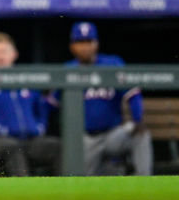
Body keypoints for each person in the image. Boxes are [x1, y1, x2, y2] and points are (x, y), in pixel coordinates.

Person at [48, 22, 153, 176]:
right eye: (80, 42)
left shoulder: (112, 63)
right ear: (72, 46)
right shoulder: (68, 69)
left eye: (89, 42)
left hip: (113, 134)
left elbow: (133, 93)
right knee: (81, 183)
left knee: (140, 134)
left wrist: (137, 119)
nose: (85, 47)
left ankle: (146, 185)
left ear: (96, 44)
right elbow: (51, 104)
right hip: (84, 138)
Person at [0, 32, 60, 176]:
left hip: (29, 140)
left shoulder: (26, 81)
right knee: (13, 147)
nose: (0, 57)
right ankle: (25, 193)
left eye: (4, 52)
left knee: (55, 146)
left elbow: (41, 109)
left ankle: (65, 192)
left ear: (14, 54)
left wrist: (40, 125)